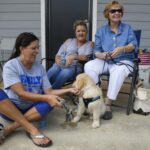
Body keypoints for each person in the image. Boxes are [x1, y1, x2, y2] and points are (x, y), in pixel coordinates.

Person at [0, 32, 79, 147]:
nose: (37, 51)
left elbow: (49, 92)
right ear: (21, 48)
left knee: (50, 102)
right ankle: (32, 129)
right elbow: (21, 94)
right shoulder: (11, 65)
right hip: (11, 111)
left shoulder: (39, 67)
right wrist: (48, 97)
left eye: (38, 48)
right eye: (33, 48)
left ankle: (10, 128)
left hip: (32, 110)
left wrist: (69, 90)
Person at [84, 1, 138, 120]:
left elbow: (133, 45)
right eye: (113, 11)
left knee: (118, 71)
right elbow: (96, 51)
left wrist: (122, 48)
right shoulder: (101, 31)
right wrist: (101, 55)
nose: (117, 13)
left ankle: (107, 104)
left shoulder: (127, 28)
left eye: (119, 11)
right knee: (89, 66)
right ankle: (97, 96)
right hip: (106, 60)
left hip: (123, 60)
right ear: (107, 14)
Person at [47, 20, 93, 89]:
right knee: (53, 71)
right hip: (61, 64)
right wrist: (57, 60)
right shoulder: (69, 41)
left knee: (65, 73)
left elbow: (87, 57)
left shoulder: (90, 44)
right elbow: (58, 54)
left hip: (74, 68)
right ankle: (42, 88)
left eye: (83, 31)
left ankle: (53, 90)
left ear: (86, 32)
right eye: (78, 31)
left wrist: (74, 57)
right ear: (75, 32)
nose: (81, 33)